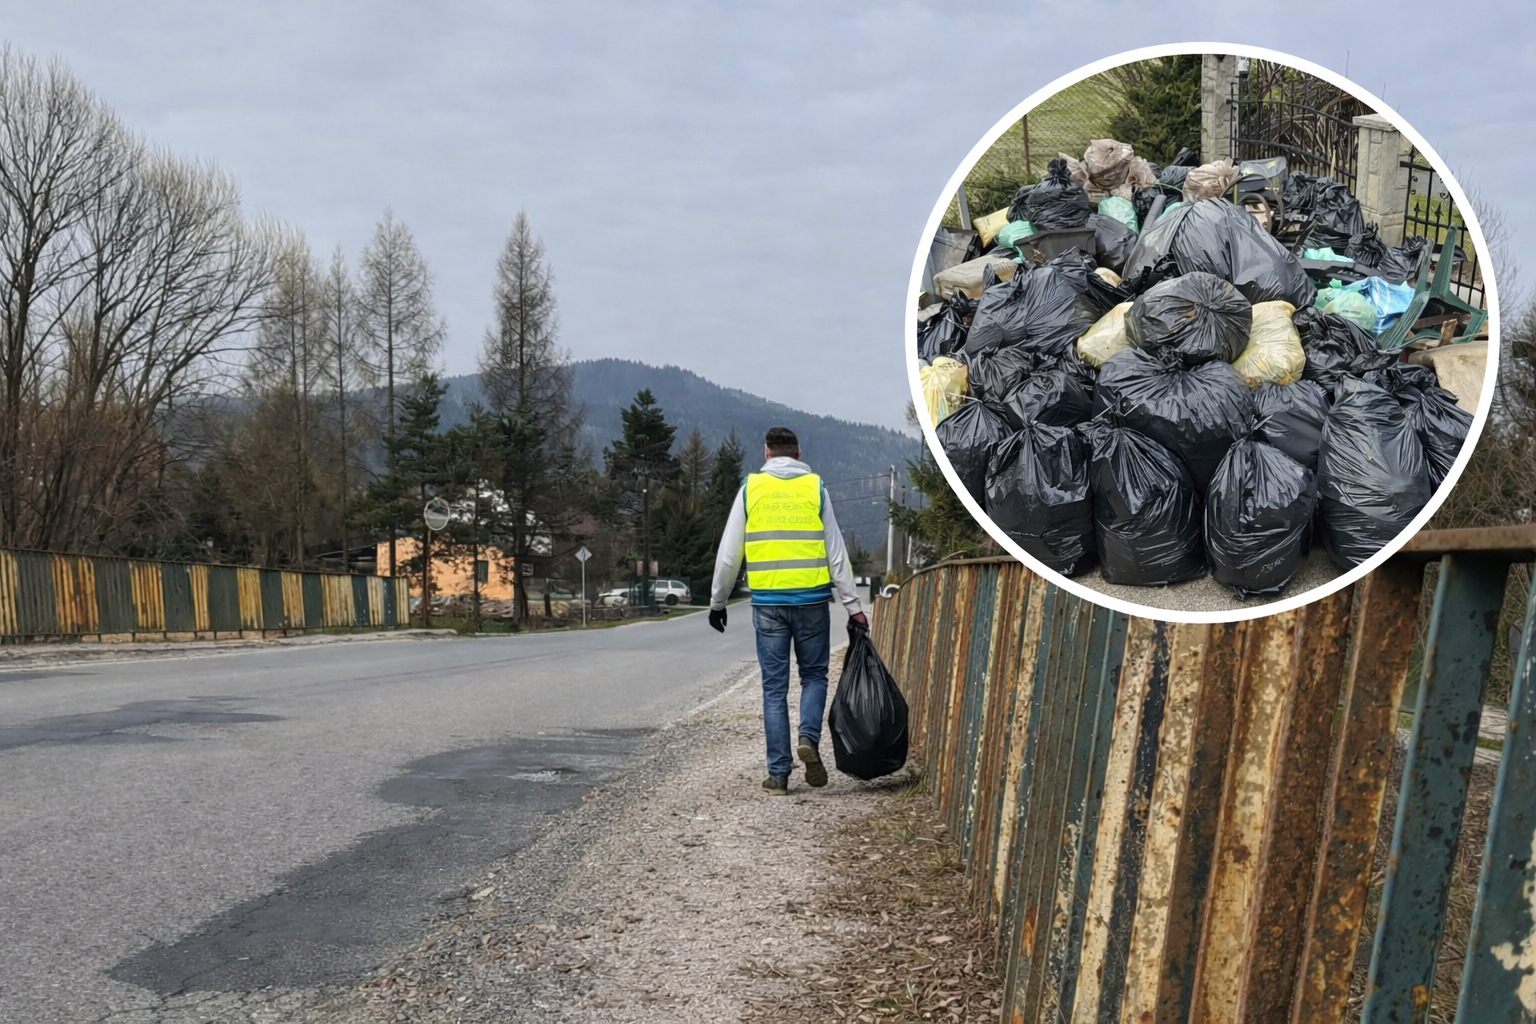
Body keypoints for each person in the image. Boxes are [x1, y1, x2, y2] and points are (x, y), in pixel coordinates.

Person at [708, 426, 867, 796]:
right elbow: (836, 552)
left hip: (768, 606)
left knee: (773, 689)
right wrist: (853, 607)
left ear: (766, 454)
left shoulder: (752, 489)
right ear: (798, 454)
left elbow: (730, 554)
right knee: (814, 676)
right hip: (812, 602)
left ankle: (778, 775)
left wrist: (718, 602)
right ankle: (807, 738)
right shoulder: (815, 488)